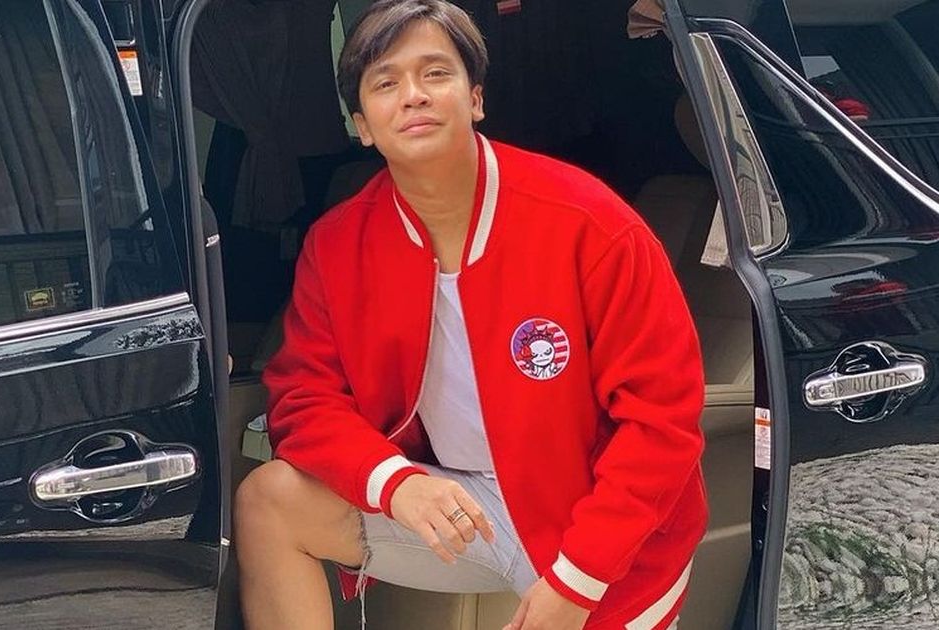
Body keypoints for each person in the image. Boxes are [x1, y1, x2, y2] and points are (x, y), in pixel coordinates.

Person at [234, 2, 707, 629]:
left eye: (436, 73)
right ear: (363, 126)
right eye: (385, 83)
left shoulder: (589, 223)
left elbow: (661, 420)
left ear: (476, 98)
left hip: (594, 519)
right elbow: (303, 398)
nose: (413, 95)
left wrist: (577, 582)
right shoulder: (338, 243)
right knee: (267, 500)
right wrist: (395, 482)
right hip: (462, 502)